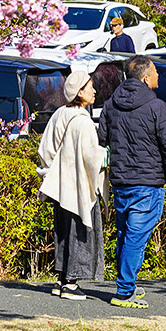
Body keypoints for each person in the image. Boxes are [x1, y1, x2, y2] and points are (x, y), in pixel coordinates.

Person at [98, 55, 166, 309]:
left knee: (125, 234)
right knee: (136, 237)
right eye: (155, 72)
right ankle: (124, 291)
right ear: (146, 78)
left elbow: (102, 140)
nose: (158, 76)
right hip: (148, 181)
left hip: (121, 180)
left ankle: (128, 283)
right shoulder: (156, 107)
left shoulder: (111, 105)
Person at [37, 71, 109, 300]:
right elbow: (90, 158)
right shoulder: (83, 122)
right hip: (79, 187)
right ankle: (71, 284)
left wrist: (51, 172)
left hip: (59, 185)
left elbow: (45, 150)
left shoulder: (59, 114)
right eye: (90, 87)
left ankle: (61, 280)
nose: (94, 91)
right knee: (80, 233)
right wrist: (106, 156)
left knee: (63, 232)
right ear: (79, 92)